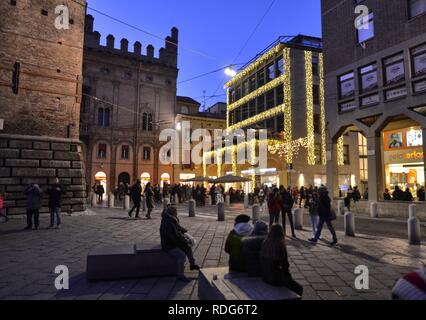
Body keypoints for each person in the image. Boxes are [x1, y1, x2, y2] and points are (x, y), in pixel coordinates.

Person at [260, 224, 303, 296]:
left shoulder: (265, 243)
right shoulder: (280, 245)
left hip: (265, 276)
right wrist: (289, 280)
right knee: (299, 289)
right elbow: (285, 266)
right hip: (276, 279)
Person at [160, 205, 200, 282]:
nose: (177, 213)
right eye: (176, 211)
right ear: (172, 213)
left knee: (188, 247)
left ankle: (192, 264)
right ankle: (180, 275)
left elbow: (178, 228)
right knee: (181, 255)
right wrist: (183, 241)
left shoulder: (171, 219)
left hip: (173, 241)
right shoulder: (168, 222)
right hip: (168, 245)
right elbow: (173, 237)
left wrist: (184, 231)